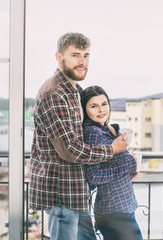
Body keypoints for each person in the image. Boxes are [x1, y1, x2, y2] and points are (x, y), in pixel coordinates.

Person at [28, 32, 129, 240]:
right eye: (75, 55)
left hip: (76, 192)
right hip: (62, 193)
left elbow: (91, 129)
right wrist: (112, 150)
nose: (82, 61)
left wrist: (124, 161)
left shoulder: (74, 90)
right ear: (59, 57)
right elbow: (70, 149)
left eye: (86, 55)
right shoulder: (54, 94)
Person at [80, 85, 143, 240]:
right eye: (94, 106)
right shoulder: (93, 133)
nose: (101, 110)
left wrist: (129, 172)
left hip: (121, 209)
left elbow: (109, 166)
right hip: (114, 211)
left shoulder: (105, 129)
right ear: (85, 109)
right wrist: (130, 164)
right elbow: (94, 175)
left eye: (104, 104)